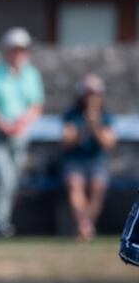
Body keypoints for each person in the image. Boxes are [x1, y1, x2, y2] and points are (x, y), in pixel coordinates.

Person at [0, 27, 44, 237]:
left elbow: (36, 105)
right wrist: (3, 124)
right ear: (6, 50)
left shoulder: (31, 74)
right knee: (3, 176)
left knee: (11, 181)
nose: (19, 53)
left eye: (22, 49)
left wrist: (23, 122)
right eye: (15, 49)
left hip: (18, 136)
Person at [60, 74, 116, 241]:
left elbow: (109, 144)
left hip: (96, 162)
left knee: (98, 185)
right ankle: (86, 227)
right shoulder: (72, 115)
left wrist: (96, 126)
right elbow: (67, 142)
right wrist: (84, 129)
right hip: (75, 161)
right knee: (74, 184)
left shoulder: (105, 116)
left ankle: (84, 226)